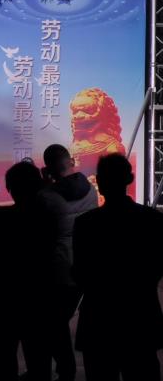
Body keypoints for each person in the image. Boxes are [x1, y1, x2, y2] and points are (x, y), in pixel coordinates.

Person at [73, 153, 163, 381]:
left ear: (100, 182)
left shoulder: (85, 224)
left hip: (99, 319)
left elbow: (80, 274)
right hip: (140, 317)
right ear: (129, 180)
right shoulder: (153, 220)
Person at [0, 160, 58, 381]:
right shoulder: (48, 217)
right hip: (37, 299)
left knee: (3, 363)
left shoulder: (1, 217)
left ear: (10, 188)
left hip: (1, 299)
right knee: (39, 363)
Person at [41, 144, 98, 381]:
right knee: (58, 320)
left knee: (52, 322)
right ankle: (65, 369)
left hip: (58, 267)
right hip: (84, 264)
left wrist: (44, 185)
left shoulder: (47, 197)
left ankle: (65, 369)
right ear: (70, 162)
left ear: (48, 168)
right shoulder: (91, 191)